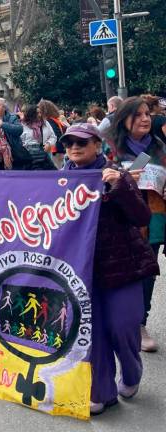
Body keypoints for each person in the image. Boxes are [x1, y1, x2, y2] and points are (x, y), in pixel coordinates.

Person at [57, 123, 157, 415]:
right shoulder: (57, 181)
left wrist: (121, 185)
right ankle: (101, 391)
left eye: (82, 142)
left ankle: (131, 373)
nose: (74, 147)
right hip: (81, 271)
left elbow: (142, 216)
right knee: (92, 335)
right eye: (68, 143)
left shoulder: (118, 175)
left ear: (97, 145)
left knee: (123, 327)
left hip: (122, 267)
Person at [110, 97, 166, 353]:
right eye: (139, 114)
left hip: (152, 221)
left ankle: (140, 323)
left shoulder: (159, 148)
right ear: (124, 119)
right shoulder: (109, 149)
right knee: (119, 272)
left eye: (147, 114)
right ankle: (118, 321)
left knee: (146, 272)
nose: (146, 118)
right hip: (117, 221)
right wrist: (119, 179)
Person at [0, 98, 30, 170]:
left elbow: (19, 130)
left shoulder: (12, 118)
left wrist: (3, 124)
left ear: (4, 107)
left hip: (13, 155)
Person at [19, 104, 57, 170]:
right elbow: (19, 140)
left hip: (45, 154)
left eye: (40, 112)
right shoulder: (23, 124)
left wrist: (49, 143)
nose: (39, 115)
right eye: (37, 113)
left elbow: (53, 136)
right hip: (28, 155)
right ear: (31, 113)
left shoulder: (45, 123)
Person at [37, 99, 67, 168]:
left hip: (55, 152)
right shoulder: (55, 120)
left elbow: (55, 136)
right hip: (59, 150)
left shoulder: (49, 121)